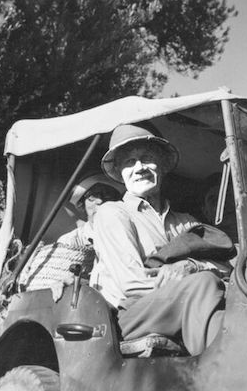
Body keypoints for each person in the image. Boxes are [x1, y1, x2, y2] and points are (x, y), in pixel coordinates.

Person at [90, 124, 227, 355]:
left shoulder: (186, 222)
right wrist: (193, 280)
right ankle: (216, 373)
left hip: (187, 300)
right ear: (120, 173)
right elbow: (132, 284)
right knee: (203, 284)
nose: (139, 167)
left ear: (162, 166)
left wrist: (192, 266)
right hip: (133, 314)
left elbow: (226, 269)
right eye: (129, 162)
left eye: (147, 158)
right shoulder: (114, 213)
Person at [19, 175, 120, 299]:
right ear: (83, 205)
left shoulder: (125, 232)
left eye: (107, 196)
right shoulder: (71, 240)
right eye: (92, 197)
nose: (99, 201)